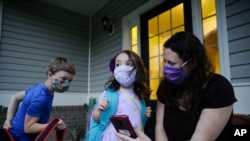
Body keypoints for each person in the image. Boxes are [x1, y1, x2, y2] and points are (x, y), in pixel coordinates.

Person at [155, 31, 237, 141]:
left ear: (192, 63)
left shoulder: (219, 88)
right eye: (164, 61)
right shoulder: (165, 87)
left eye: (171, 63)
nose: (165, 67)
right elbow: (159, 128)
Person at [2, 57, 76, 141]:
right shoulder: (41, 98)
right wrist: (54, 125)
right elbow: (28, 128)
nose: (66, 83)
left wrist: (8, 120)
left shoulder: (39, 87)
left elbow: (15, 97)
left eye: (70, 80)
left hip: (14, 132)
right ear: (50, 75)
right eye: (63, 79)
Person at [87, 50, 152, 141]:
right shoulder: (108, 94)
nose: (122, 68)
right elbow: (96, 119)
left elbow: (139, 120)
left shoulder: (139, 96)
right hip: (113, 137)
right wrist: (98, 111)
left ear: (138, 70)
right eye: (118, 64)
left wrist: (145, 115)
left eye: (128, 64)